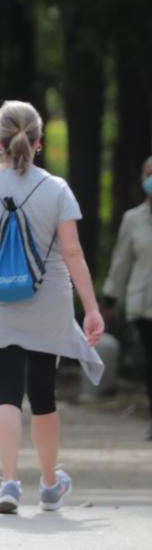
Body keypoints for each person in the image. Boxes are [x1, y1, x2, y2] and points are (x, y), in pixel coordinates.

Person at [0, 100, 104, 514]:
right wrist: (90, 308)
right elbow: (73, 253)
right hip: (49, 300)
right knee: (43, 392)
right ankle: (51, 484)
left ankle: (10, 483)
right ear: (38, 142)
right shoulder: (56, 189)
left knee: (6, 391)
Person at [102, 155, 152, 441]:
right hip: (144, 303)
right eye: (147, 173)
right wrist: (109, 300)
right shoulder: (133, 220)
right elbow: (121, 262)